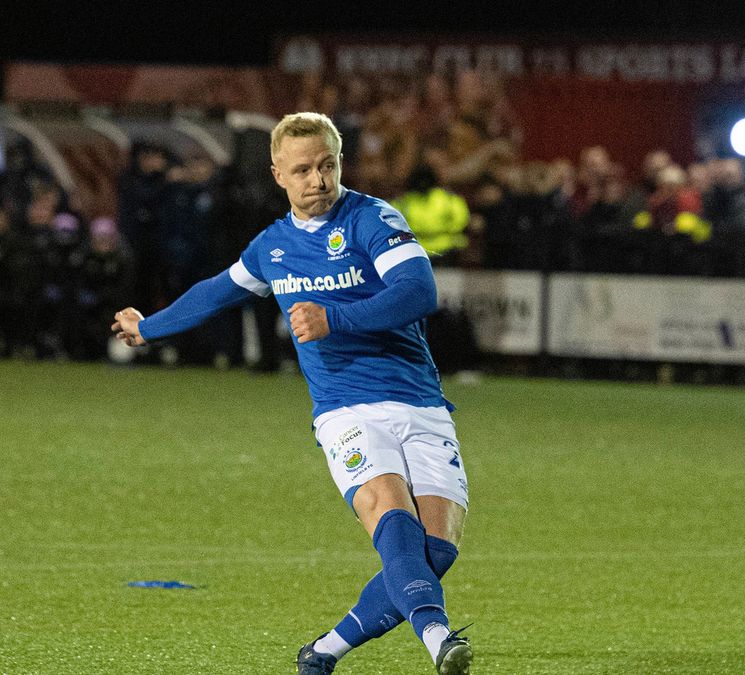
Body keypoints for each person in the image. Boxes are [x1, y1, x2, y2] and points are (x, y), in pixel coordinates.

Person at [110, 112, 474, 675]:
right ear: (278, 173)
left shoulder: (373, 218)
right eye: (303, 169)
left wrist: (336, 320)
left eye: (327, 165)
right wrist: (148, 327)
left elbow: (418, 291)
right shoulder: (272, 248)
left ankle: (324, 652)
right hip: (346, 411)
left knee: (437, 551)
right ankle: (440, 640)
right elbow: (215, 293)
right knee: (391, 520)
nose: (318, 180)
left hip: (420, 403)